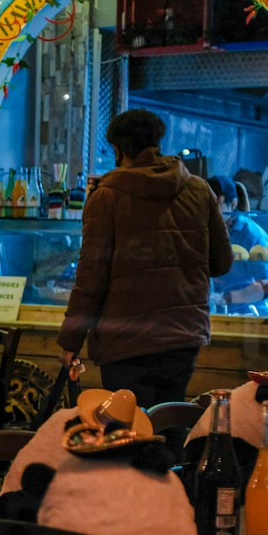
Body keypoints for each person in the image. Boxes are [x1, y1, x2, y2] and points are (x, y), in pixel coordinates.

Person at [57, 109, 233, 406]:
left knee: (130, 433)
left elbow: (91, 278)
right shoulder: (198, 190)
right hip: (182, 336)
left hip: (126, 341)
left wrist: (70, 341)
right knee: (169, 421)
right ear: (158, 143)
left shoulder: (106, 196)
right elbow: (222, 263)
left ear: (117, 150)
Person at [207, 175, 268, 312]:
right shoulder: (206, 231)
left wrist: (226, 298)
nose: (210, 212)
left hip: (251, 316)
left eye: (216, 206)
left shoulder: (253, 235)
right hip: (216, 315)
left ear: (233, 204)